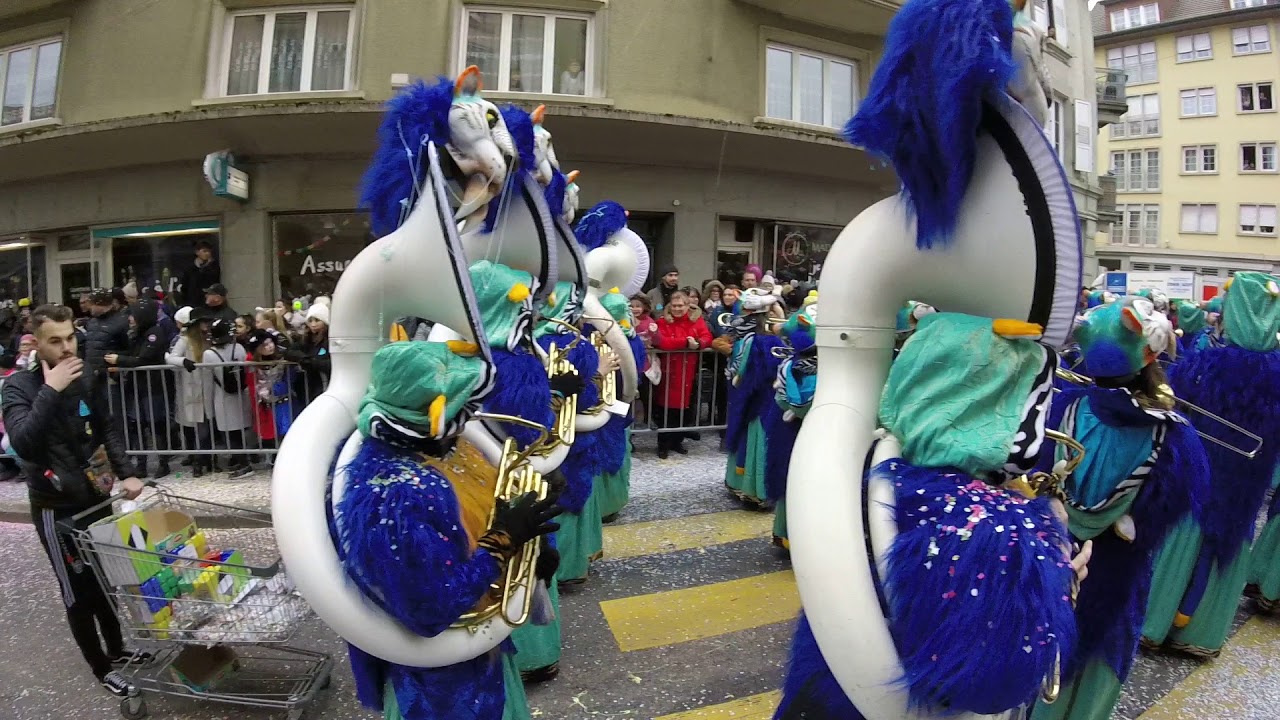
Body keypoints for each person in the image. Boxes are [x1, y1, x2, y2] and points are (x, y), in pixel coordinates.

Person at [1030, 297, 1207, 720]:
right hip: (1119, 570)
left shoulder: (1059, 406)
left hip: (1051, 555)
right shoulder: (1176, 439)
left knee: (1038, 652)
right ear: (1150, 356)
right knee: (1100, 661)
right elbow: (1168, 511)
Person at [0, 303, 146, 698]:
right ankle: (101, 668)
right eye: (56, 341)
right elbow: (24, 444)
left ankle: (117, 649)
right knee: (77, 592)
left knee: (105, 581)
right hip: (56, 507)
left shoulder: (86, 376)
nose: (67, 348)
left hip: (97, 497)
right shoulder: (18, 386)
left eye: (70, 339)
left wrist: (127, 470)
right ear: (36, 343)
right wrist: (52, 389)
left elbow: (107, 427)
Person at [1141, 272, 1280, 658]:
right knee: (1228, 543)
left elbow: (1168, 411)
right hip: (1248, 484)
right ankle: (1199, 633)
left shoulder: (1204, 365)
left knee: (1181, 538)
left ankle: (1154, 623)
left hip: (1195, 476)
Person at [104, 299, 176, 479]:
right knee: (137, 426)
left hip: (153, 387)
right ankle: (141, 464)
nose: (130, 319)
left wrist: (119, 360)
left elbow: (144, 359)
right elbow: (133, 354)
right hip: (136, 387)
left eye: (133, 315)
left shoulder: (155, 333)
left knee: (156, 426)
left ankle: (163, 463)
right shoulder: (137, 334)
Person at [652, 290, 711, 458]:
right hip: (669, 371)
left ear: (687, 306)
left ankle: (677, 441)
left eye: (681, 305)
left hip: (688, 371)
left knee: (683, 410)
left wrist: (699, 343)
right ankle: (663, 444)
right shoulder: (662, 322)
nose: (677, 309)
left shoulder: (696, 321)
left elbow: (707, 337)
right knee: (665, 410)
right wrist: (685, 342)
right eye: (674, 305)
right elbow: (662, 342)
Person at [202, 318, 254, 479]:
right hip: (241, 395)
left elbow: (207, 382)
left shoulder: (209, 354)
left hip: (222, 398)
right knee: (241, 430)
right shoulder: (238, 348)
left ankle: (244, 464)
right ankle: (244, 460)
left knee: (230, 434)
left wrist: (208, 409)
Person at [166, 309, 212, 477]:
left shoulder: (208, 340)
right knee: (192, 427)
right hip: (190, 388)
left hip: (207, 388)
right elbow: (170, 358)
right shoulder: (185, 340)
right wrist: (183, 361)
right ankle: (196, 461)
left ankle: (206, 459)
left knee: (205, 428)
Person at [244, 329, 294, 456]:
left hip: (283, 400)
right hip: (265, 403)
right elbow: (252, 381)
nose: (269, 346)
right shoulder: (254, 363)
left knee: (286, 430)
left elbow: (290, 379)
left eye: (270, 342)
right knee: (270, 431)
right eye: (264, 345)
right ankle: (274, 458)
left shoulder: (284, 358)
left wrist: (276, 388)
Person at [83, 288, 131, 388]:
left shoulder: (122, 322)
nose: (90, 308)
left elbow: (129, 348)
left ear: (100, 305)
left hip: (111, 376)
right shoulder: (92, 322)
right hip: (92, 374)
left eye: (92, 304)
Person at [284, 302, 331, 405]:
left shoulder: (330, 339)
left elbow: (330, 363)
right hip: (308, 388)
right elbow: (289, 352)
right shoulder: (306, 338)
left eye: (317, 320)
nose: (313, 324)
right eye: (310, 320)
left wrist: (312, 362)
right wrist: (303, 358)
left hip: (325, 386)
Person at [179, 240, 220, 309]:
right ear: (197, 252)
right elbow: (185, 286)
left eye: (209, 251)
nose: (207, 254)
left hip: (209, 303)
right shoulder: (190, 268)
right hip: (193, 302)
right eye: (204, 251)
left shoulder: (214, 267)